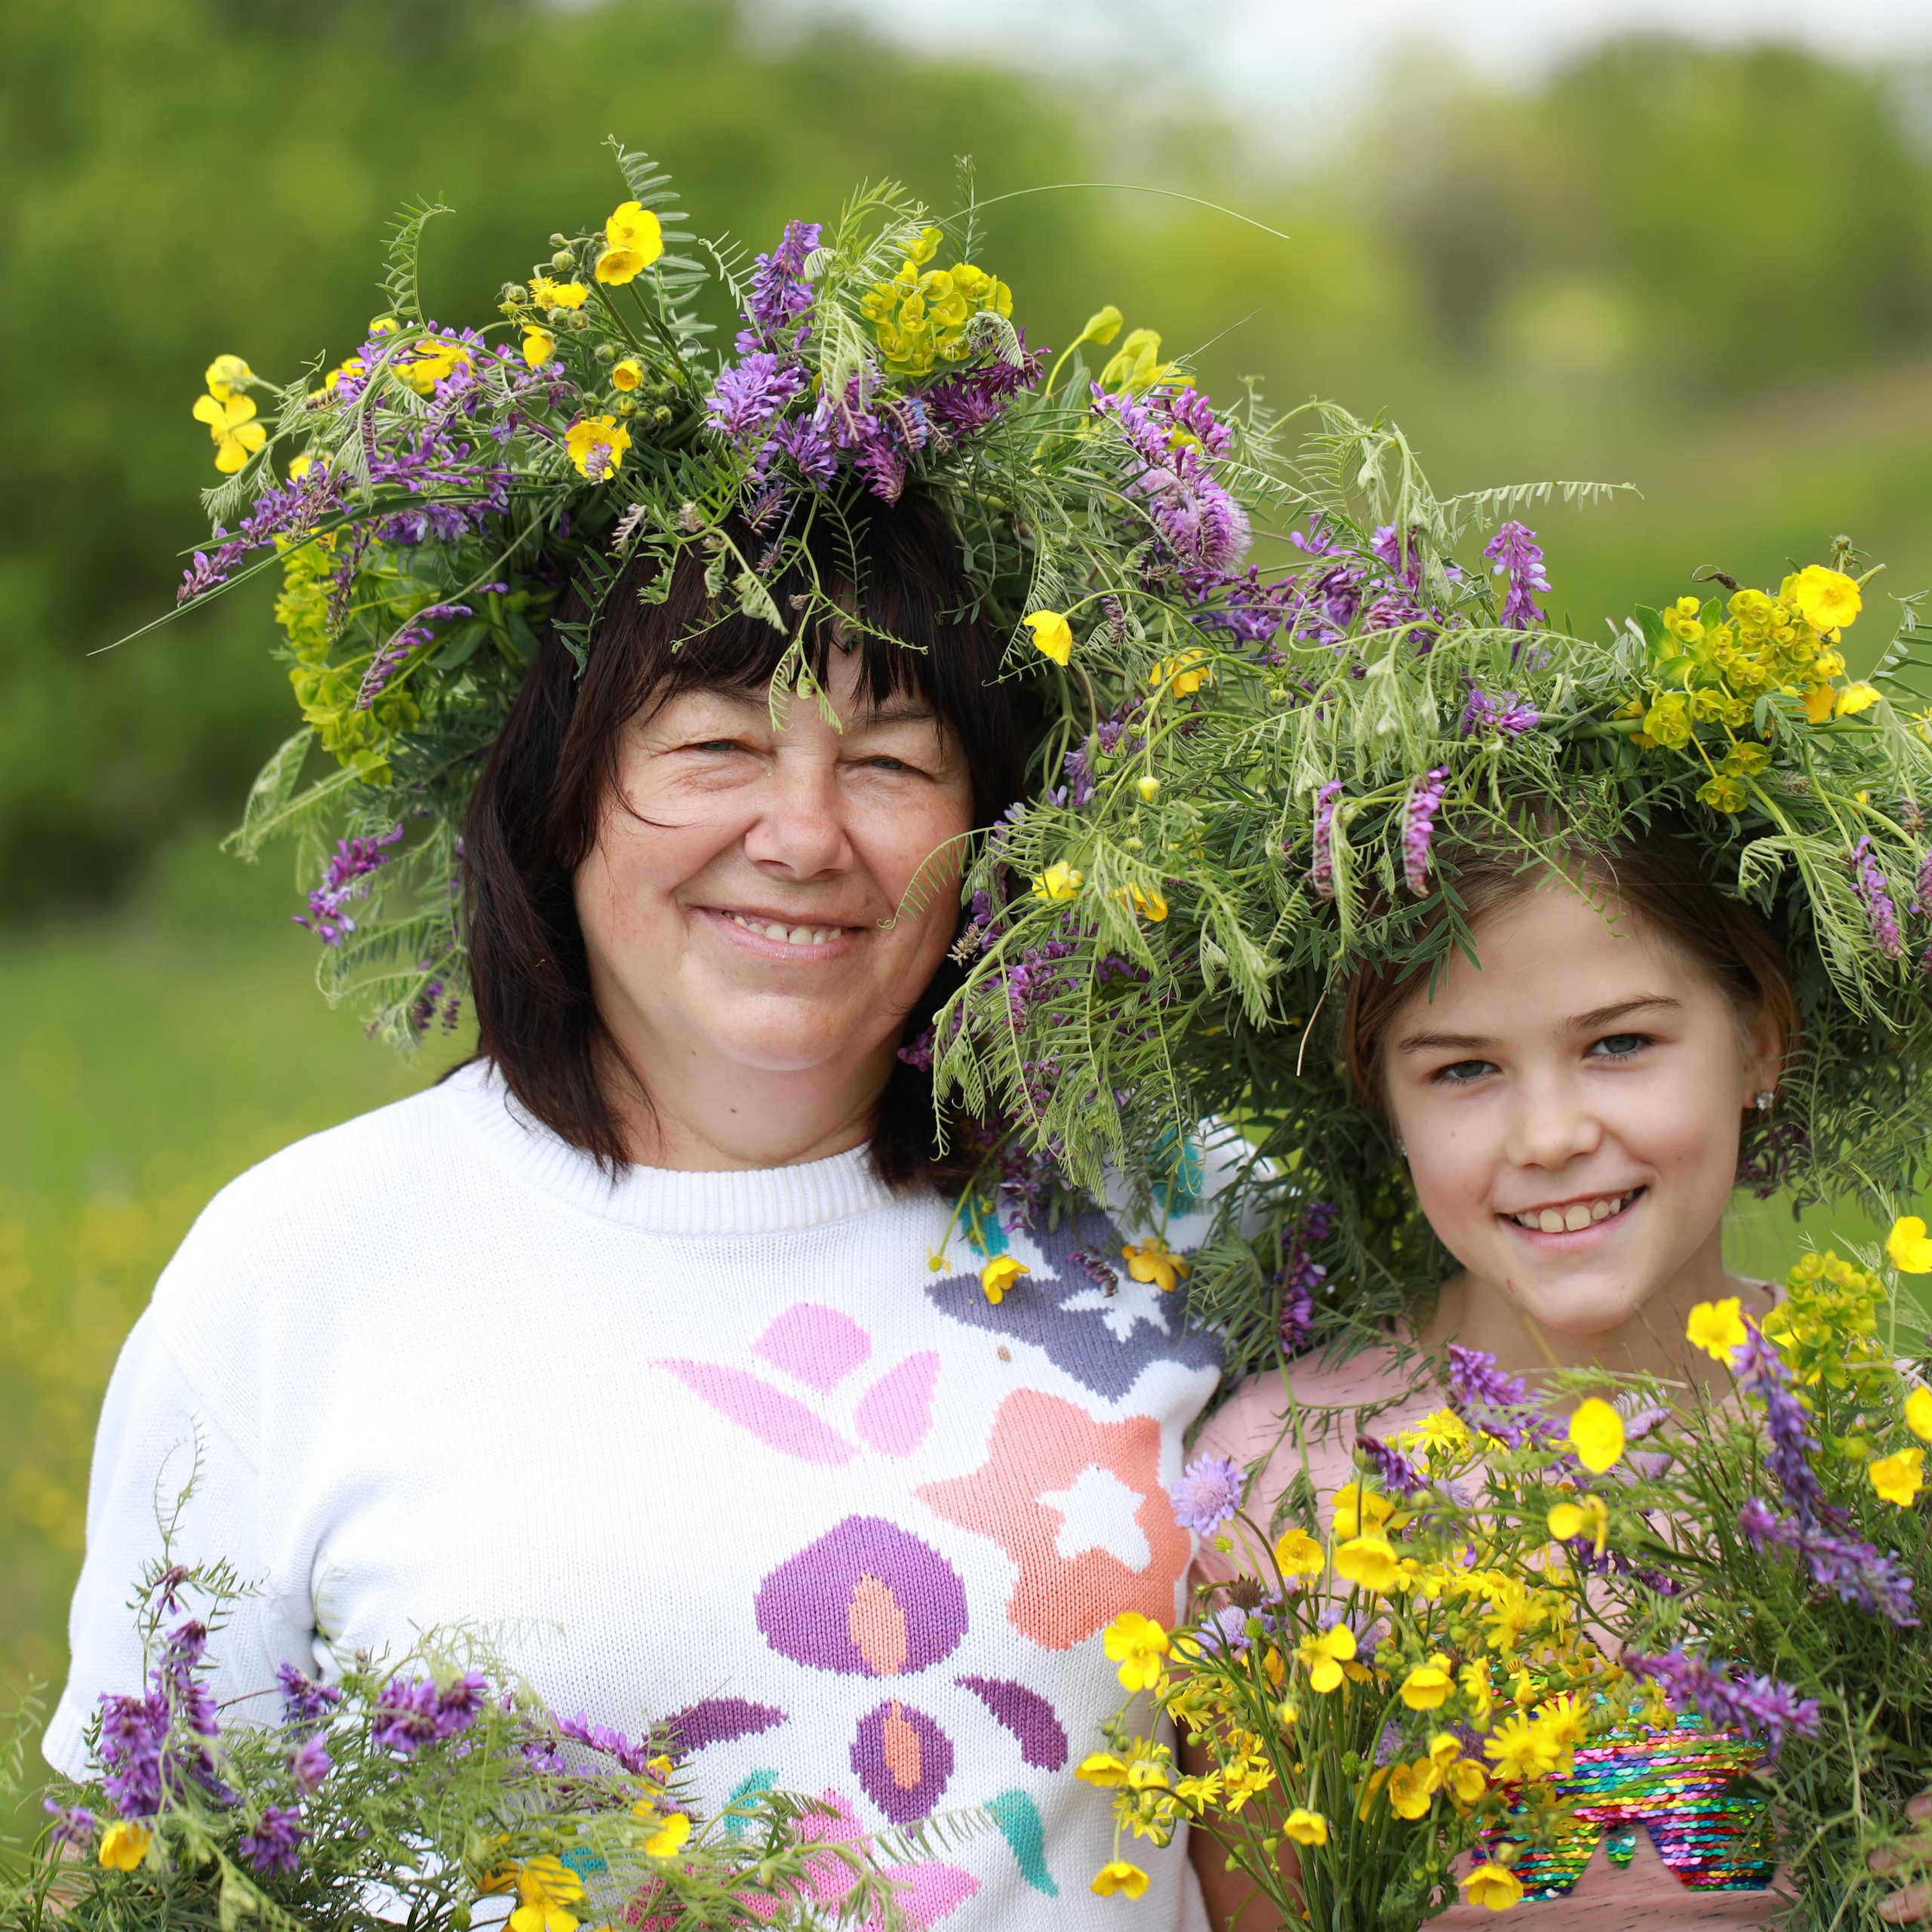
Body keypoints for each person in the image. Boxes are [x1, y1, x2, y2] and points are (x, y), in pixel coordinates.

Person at [47, 172, 1275, 1930]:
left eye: (891, 761)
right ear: (556, 803)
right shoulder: (299, 1269)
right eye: (711, 744)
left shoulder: (1195, 1218)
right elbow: (139, 1872)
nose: (801, 836)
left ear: (996, 836)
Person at [1191, 827, 1793, 1927]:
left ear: (1760, 1042)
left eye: (1619, 1043)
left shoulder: (1889, 1444)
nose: (1551, 1137)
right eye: (1463, 1069)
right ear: (1385, 1102)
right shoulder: (1280, 1483)